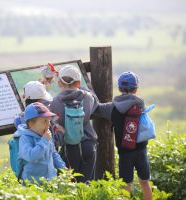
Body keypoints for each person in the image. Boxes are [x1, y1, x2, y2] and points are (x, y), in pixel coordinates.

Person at [94, 71, 152, 199]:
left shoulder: (112, 107)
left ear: (119, 88)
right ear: (136, 89)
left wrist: (90, 94)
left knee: (125, 185)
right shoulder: (140, 104)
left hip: (125, 152)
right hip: (141, 150)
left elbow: (97, 109)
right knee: (144, 182)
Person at [49, 65, 99, 183]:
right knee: (86, 185)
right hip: (88, 144)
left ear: (59, 83)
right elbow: (95, 101)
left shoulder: (55, 102)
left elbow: (53, 122)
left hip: (69, 147)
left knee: (69, 185)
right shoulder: (87, 98)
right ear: (78, 83)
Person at [15, 102, 66, 183]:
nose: (48, 125)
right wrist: (44, 140)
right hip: (33, 183)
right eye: (45, 121)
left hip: (51, 181)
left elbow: (53, 154)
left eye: (49, 121)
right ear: (31, 124)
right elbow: (31, 157)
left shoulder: (45, 136)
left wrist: (63, 169)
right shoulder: (25, 139)